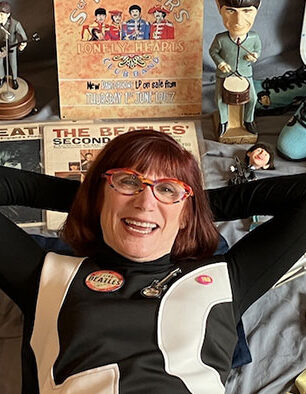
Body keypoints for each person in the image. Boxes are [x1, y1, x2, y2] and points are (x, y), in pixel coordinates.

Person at [0, 130, 305, 394]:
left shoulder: (226, 278)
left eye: (167, 189)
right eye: (128, 182)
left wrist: (194, 206)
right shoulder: (47, 275)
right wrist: (89, 199)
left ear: (186, 214)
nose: (145, 202)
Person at [209, 0, 261, 136]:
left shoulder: (254, 38)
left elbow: (257, 50)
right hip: (224, 74)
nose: (238, 21)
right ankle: (223, 122)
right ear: (219, 8)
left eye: (247, 11)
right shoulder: (221, 39)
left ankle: (248, 120)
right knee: (219, 99)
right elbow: (213, 52)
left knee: (253, 98)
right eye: (231, 11)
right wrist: (220, 63)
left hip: (245, 73)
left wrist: (254, 57)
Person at [0, 1, 27, 90]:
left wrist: (23, 44)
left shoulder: (15, 24)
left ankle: (14, 79)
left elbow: (24, 37)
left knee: (13, 64)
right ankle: (1, 78)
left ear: (8, 15)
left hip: (12, 47)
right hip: (1, 47)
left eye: (1, 15)